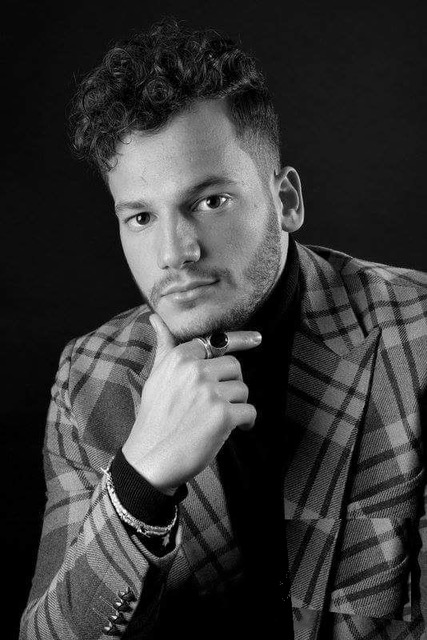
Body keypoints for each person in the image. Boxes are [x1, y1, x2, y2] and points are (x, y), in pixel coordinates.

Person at [20, 18, 427, 640]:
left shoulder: (417, 337)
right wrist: (140, 479)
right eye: (140, 217)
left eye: (210, 201)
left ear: (286, 201)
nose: (174, 253)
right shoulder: (89, 377)